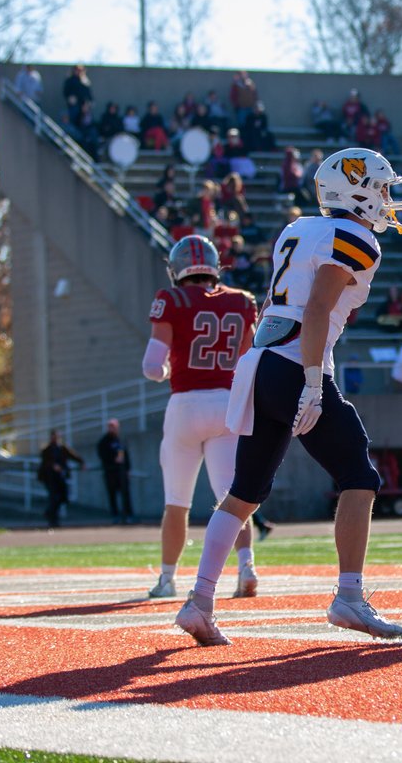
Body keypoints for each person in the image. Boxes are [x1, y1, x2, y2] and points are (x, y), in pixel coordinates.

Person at [173, 147, 402, 645]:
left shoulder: (298, 228)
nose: (388, 199)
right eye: (382, 188)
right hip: (294, 364)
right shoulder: (357, 238)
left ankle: (199, 601)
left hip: (260, 363)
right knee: (359, 475)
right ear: (358, 191)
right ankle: (349, 597)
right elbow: (320, 306)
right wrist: (311, 382)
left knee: (244, 492)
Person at [142, 235, 259, 600]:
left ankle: (166, 578)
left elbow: (150, 366)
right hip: (227, 404)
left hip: (186, 405)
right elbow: (249, 358)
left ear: (177, 269)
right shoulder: (241, 302)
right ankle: (246, 567)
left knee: (177, 501)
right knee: (233, 495)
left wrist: (166, 371)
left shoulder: (171, 299)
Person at [38, 430, 85, 528]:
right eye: (55, 436)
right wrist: (53, 466)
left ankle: (49, 513)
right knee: (54, 498)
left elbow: (73, 455)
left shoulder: (62, 448)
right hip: (50, 478)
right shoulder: (47, 449)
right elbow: (45, 462)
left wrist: (82, 462)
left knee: (63, 497)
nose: (56, 438)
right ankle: (53, 520)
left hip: (60, 477)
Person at [97, 419, 133, 524]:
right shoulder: (104, 441)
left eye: (115, 427)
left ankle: (128, 515)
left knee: (125, 495)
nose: (113, 429)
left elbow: (126, 456)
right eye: (111, 426)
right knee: (112, 495)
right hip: (110, 473)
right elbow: (102, 456)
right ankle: (115, 516)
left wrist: (128, 469)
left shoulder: (120, 439)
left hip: (121, 473)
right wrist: (113, 459)